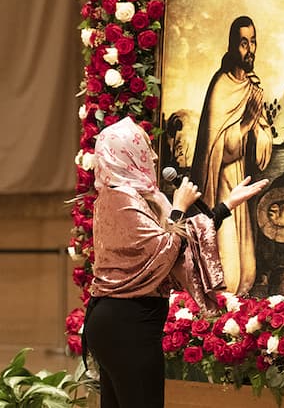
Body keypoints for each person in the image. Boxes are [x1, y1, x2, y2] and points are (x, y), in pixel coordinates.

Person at [84, 116, 267, 408]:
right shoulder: (121, 200)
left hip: (124, 321)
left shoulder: (131, 196)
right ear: (126, 152)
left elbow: (182, 239)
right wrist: (179, 206)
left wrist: (226, 205)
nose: (154, 154)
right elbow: (163, 250)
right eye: (144, 145)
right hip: (126, 323)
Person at [190, 16, 274, 294]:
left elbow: (262, 145)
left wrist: (261, 131)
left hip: (242, 178)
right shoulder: (221, 86)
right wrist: (249, 121)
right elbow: (223, 151)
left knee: (246, 264)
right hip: (222, 182)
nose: (249, 49)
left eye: (253, 42)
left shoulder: (251, 86)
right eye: (243, 43)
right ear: (232, 46)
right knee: (229, 266)